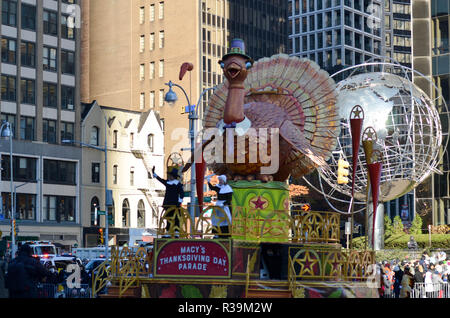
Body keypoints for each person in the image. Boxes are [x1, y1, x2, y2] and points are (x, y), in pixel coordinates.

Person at [153, 166, 185, 236]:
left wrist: (179, 202)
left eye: (170, 176)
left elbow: (182, 193)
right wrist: (155, 174)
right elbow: (161, 180)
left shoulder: (177, 184)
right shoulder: (168, 183)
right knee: (168, 218)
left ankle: (176, 232)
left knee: (176, 218)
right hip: (168, 203)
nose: (169, 177)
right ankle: (168, 231)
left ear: (173, 176)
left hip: (175, 204)